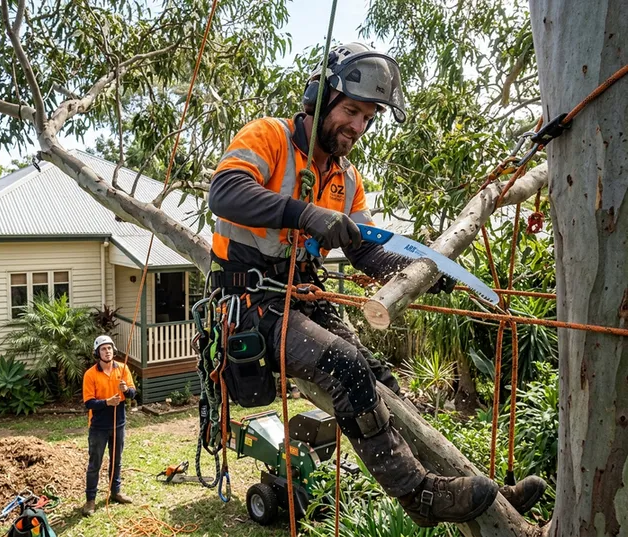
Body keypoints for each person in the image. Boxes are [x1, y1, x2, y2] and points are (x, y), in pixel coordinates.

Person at [207, 42, 546, 526]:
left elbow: (365, 248)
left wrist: (424, 275)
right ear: (321, 98)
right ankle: (418, 496)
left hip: (303, 295)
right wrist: (306, 212)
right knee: (344, 364)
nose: (358, 127)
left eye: (367, 118)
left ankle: (465, 481)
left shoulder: (347, 178)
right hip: (250, 300)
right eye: (351, 111)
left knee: (379, 375)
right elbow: (226, 191)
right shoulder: (270, 137)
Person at [81, 335, 136, 516]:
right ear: (97, 353)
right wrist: (106, 402)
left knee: (117, 460)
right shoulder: (90, 374)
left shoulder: (123, 368)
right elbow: (89, 403)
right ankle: (90, 500)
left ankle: (116, 492)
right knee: (94, 463)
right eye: (103, 349)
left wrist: (126, 390)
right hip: (98, 426)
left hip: (118, 423)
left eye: (109, 348)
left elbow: (133, 393)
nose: (107, 351)